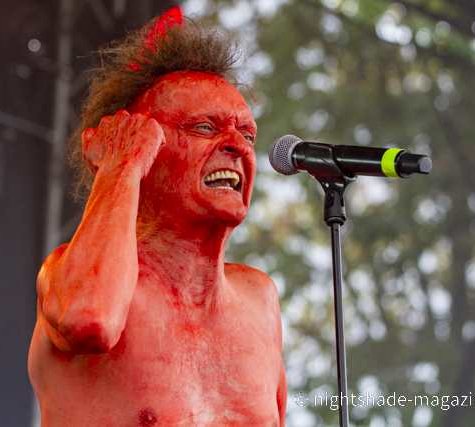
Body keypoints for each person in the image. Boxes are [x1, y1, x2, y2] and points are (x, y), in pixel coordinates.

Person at [28, 9, 287, 426]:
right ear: (141, 148)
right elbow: (89, 320)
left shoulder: (260, 298)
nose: (238, 145)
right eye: (204, 127)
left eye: (247, 133)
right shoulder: (70, 276)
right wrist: (120, 166)